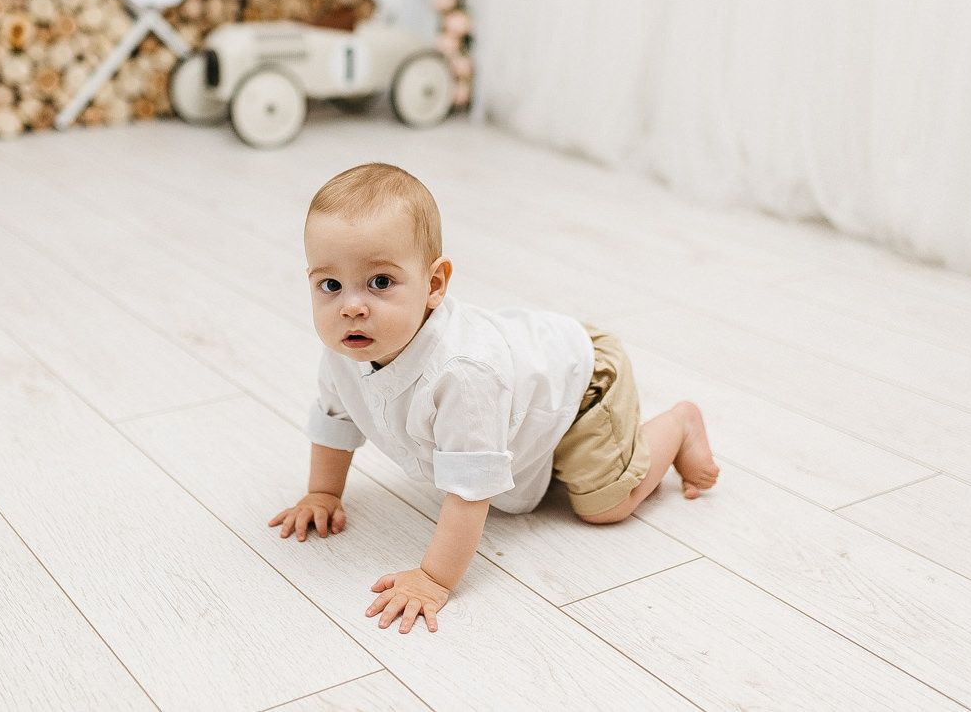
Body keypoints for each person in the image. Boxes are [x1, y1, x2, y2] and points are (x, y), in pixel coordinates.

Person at [269, 162, 719, 634]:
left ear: (434, 285)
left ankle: (679, 424)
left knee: (605, 506)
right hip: (526, 388)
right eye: (330, 285)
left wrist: (432, 579)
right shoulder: (346, 349)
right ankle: (549, 450)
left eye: (380, 282)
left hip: (582, 387)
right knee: (537, 470)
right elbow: (336, 420)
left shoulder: (462, 373)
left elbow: (471, 490)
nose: (351, 307)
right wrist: (323, 493)